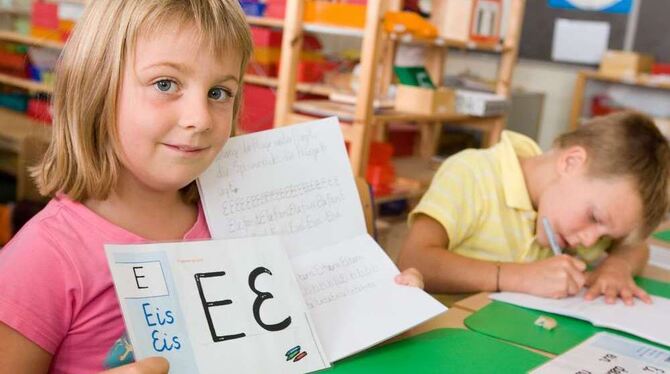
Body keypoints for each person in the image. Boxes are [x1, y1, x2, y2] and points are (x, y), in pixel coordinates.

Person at [0, 1, 423, 372]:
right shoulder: (44, 258)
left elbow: (301, 339)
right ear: (95, 88)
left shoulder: (235, 219)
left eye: (219, 92)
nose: (200, 117)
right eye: (165, 84)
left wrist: (382, 309)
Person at [398, 111, 670, 305]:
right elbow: (413, 260)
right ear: (571, 163)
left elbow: (636, 246)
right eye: (594, 217)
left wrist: (617, 266)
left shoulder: (577, 216)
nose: (589, 240)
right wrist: (517, 277)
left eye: (604, 236)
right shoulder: (472, 174)